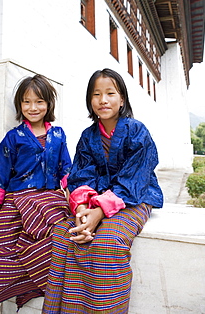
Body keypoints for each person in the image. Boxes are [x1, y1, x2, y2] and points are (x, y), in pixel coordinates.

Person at [42, 68, 163, 313]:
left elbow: (135, 179)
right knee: (66, 236)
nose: (103, 100)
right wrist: (85, 208)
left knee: (107, 240)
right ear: (90, 100)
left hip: (134, 197)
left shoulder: (137, 131)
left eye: (110, 93)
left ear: (122, 100)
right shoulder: (88, 136)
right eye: (96, 94)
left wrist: (99, 212)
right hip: (97, 199)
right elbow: (81, 174)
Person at [0, 74, 72, 313]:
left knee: (60, 246)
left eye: (39, 101)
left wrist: (74, 203)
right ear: (20, 105)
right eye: (27, 102)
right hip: (15, 208)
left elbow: (67, 173)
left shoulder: (59, 135)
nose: (33, 108)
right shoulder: (13, 138)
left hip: (50, 205)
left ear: (49, 104)